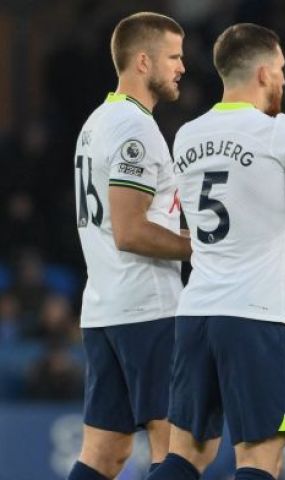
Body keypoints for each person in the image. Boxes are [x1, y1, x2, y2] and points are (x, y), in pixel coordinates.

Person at [146, 23, 285, 480]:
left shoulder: (185, 135)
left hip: (196, 313)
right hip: (255, 316)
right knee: (262, 458)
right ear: (264, 73)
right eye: (281, 69)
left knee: (186, 456)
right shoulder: (276, 130)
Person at [68, 12, 190, 480]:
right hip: (148, 309)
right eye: (174, 56)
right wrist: (201, 248)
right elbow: (131, 231)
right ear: (143, 61)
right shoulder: (134, 129)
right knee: (174, 446)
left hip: (105, 309)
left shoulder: (97, 122)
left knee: (106, 453)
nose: (182, 66)